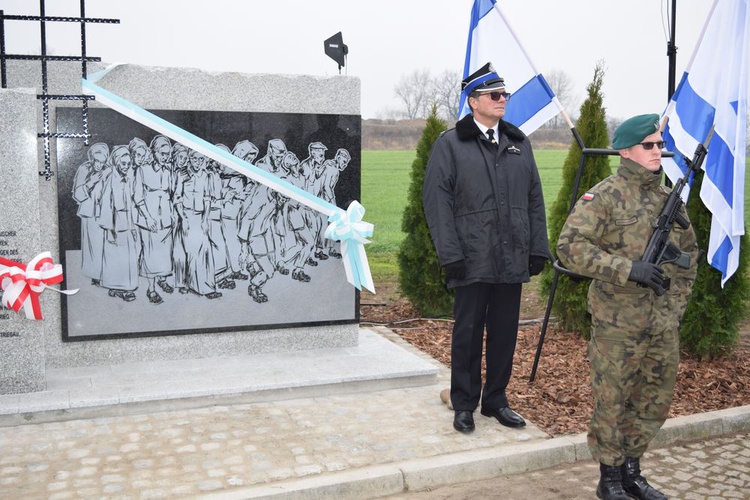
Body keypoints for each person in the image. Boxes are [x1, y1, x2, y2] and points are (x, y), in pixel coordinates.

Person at [556, 114, 698, 500]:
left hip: (660, 323)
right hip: (617, 324)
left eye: (659, 145)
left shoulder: (669, 196)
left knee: (654, 400)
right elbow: (569, 248)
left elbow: (689, 256)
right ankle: (611, 479)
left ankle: (633, 471)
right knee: (613, 401)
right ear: (626, 150)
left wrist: (675, 309)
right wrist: (627, 269)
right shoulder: (604, 195)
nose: (657, 152)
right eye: (648, 145)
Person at [422, 62, 550, 434]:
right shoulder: (451, 144)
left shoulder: (518, 144)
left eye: (505, 94)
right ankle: (464, 403)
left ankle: (496, 400)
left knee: (504, 333)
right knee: (467, 333)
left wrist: (536, 248)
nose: (503, 100)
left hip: (511, 257)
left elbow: (534, 198)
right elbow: (437, 202)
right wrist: (451, 255)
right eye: (495, 95)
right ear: (473, 101)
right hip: (471, 257)